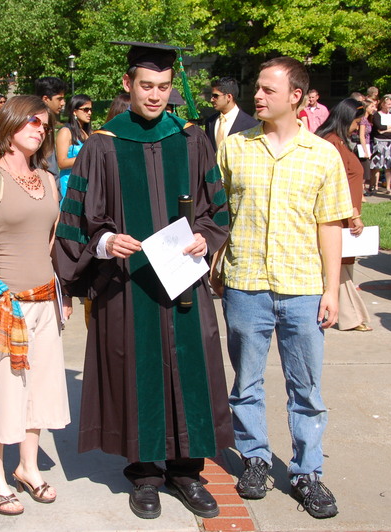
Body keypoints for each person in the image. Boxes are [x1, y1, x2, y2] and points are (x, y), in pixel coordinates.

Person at [56, 42, 233, 521]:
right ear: (127, 84)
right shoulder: (103, 144)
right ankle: (145, 474)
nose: (155, 96)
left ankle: (186, 471)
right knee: (138, 370)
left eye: (163, 87)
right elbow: (78, 219)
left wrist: (205, 235)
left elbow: (217, 208)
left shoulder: (192, 140)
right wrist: (106, 241)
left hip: (184, 283)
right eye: (146, 86)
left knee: (190, 368)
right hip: (127, 285)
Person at [213, 56, 352, 520]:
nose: (257, 96)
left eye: (268, 90)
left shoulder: (323, 155)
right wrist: (216, 262)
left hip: (303, 288)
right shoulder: (234, 149)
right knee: (246, 383)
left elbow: (330, 225)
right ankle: (254, 458)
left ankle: (307, 472)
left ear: (296, 97)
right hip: (246, 284)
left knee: (306, 389)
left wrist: (331, 290)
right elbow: (218, 215)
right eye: (256, 88)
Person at [0, 95, 70, 516]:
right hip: (7, 303)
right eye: (31, 122)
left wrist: (62, 293)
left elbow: (51, 243)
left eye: (44, 125)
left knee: (39, 388)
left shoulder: (46, 178)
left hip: (45, 297)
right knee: (3, 391)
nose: (40, 130)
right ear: (10, 124)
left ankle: (28, 466)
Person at [316, 99, 372, 332]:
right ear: (346, 120)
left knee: (342, 267)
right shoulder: (332, 143)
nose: (357, 128)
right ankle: (350, 316)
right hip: (341, 214)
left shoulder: (338, 142)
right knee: (339, 266)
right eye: (356, 123)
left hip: (346, 213)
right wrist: (354, 214)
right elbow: (338, 183)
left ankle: (350, 315)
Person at [204, 77, 259, 152]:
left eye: (215, 96)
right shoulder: (210, 122)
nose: (211, 99)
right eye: (212, 96)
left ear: (229, 97)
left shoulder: (251, 124)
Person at [56, 94, 92, 200]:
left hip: (86, 183)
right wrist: (85, 158)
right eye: (85, 109)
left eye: (90, 109)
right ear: (74, 111)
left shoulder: (87, 133)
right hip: (69, 183)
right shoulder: (65, 132)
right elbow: (61, 163)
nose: (89, 113)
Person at [34, 77, 66, 177]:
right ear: (46, 99)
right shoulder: (33, 125)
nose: (63, 103)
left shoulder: (49, 120)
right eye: (59, 99)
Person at [370, 95, 391, 194]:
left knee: (388, 166)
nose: (389, 106)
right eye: (388, 104)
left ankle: (388, 187)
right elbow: (379, 127)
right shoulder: (377, 115)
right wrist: (390, 127)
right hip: (379, 141)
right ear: (382, 104)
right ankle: (375, 186)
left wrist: (385, 130)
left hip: (390, 142)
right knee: (377, 165)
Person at [358, 98, 376, 194]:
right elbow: (361, 136)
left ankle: (362, 190)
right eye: (372, 106)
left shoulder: (368, 119)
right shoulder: (363, 120)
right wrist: (365, 151)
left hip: (367, 145)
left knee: (366, 170)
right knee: (364, 169)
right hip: (362, 147)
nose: (374, 108)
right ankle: (360, 192)